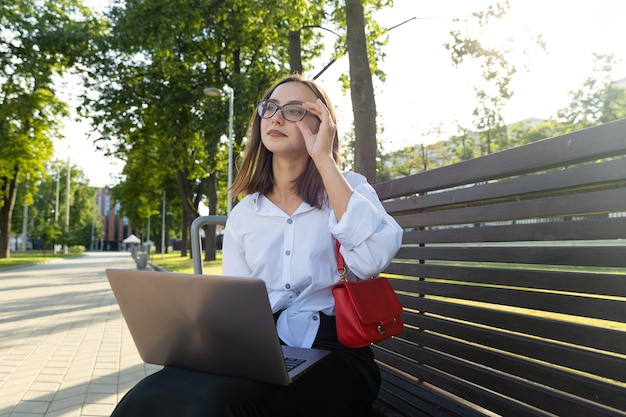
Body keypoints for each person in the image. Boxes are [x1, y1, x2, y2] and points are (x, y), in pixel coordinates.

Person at [109, 74, 402, 417]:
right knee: (151, 392)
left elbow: (371, 260)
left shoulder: (347, 188)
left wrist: (324, 159)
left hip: (337, 353)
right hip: (263, 351)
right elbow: (237, 302)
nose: (276, 117)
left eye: (294, 110)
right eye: (271, 108)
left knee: (218, 403)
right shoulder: (246, 213)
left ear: (323, 124)